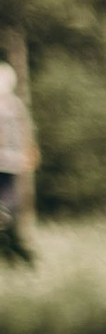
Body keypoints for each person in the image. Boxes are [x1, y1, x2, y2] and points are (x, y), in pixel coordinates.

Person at [0, 57, 36, 261]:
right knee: (10, 203)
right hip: (13, 161)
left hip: (6, 162)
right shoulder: (15, 105)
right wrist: (28, 153)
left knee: (7, 203)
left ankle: (7, 228)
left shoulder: (7, 106)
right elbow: (27, 130)